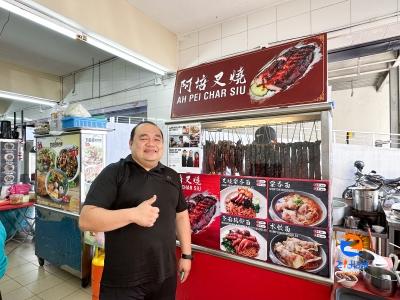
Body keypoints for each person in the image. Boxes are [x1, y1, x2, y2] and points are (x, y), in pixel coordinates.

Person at [79, 121, 192, 300]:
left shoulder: (172, 176)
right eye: (143, 138)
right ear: (130, 143)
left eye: (157, 139)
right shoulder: (115, 173)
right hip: (123, 281)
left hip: (165, 275)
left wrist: (187, 255)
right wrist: (132, 214)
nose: (151, 143)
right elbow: (86, 219)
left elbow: (181, 216)